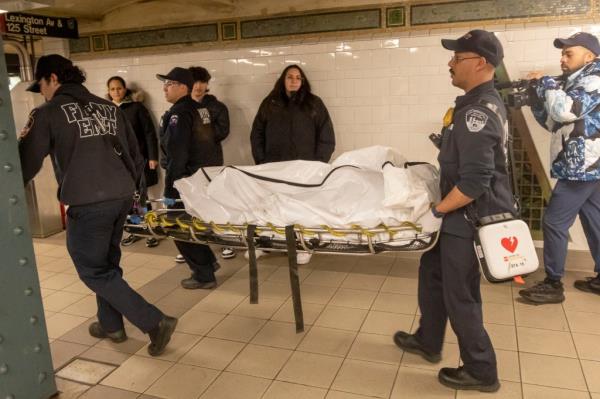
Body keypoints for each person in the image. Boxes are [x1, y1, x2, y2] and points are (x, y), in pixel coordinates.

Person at [18, 54, 176, 356]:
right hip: (120, 197)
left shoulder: (48, 113)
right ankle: (110, 324)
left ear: (52, 78)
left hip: (88, 203)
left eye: (41, 86)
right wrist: (134, 196)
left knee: (93, 270)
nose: (42, 93)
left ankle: (154, 322)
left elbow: (25, 162)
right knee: (107, 266)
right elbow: (135, 154)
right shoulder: (109, 108)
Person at [393, 30, 514, 392]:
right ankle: (429, 340)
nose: (450, 63)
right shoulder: (471, 105)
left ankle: (481, 369)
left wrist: (436, 211)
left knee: (460, 294)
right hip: (457, 216)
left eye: (457, 58)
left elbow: (476, 180)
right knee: (432, 274)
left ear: (480, 63)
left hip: (468, 217)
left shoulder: (477, 112)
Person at [518, 32, 600, 303]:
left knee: (554, 222)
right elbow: (555, 123)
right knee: (594, 221)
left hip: (582, 166)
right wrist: (535, 97)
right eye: (562, 54)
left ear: (589, 56)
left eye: (569, 53)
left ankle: (553, 284)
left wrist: (546, 82)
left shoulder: (594, 78)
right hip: (588, 166)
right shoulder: (577, 81)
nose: (562, 59)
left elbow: (566, 111)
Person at [249, 64, 335, 264]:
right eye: (290, 77)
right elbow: (257, 134)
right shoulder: (270, 103)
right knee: (272, 206)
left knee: (302, 209)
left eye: (298, 77)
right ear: (283, 80)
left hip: (304, 170)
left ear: (303, 81)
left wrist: (317, 165)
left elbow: (326, 137)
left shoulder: (314, 104)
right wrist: (261, 162)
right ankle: (267, 244)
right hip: (274, 167)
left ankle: (304, 246)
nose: (294, 80)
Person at [157, 67, 219, 289]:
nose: (165, 88)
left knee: (177, 226)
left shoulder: (179, 113)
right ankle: (208, 264)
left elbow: (177, 152)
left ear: (183, 87)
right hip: (201, 178)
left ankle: (203, 274)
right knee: (193, 224)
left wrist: (171, 187)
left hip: (184, 180)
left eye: (169, 84)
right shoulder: (200, 109)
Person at [174, 66, 235, 261]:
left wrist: (198, 132)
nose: (199, 86)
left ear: (207, 84)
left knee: (215, 200)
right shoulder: (180, 108)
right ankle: (192, 245)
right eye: (195, 82)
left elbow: (222, 132)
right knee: (190, 203)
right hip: (187, 164)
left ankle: (225, 241)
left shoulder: (217, 107)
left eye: (203, 82)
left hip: (211, 163)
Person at [106, 76, 160, 248]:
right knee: (128, 198)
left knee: (144, 196)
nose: (116, 92)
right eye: (112, 89)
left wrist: (153, 157)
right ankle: (135, 230)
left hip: (140, 159)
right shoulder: (105, 110)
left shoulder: (136, 108)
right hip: (118, 163)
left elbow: (149, 133)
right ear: (108, 91)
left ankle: (151, 231)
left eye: (119, 88)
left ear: (125, 89)